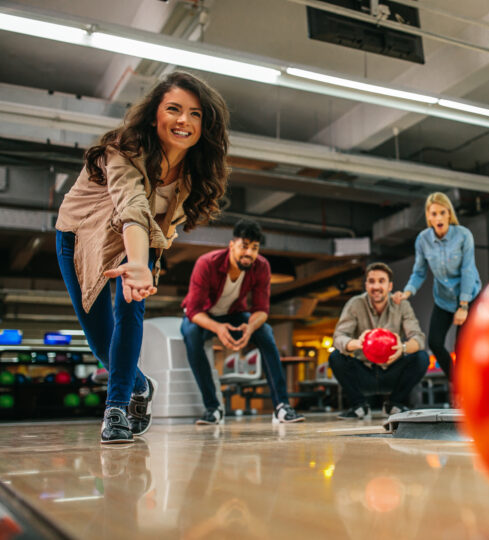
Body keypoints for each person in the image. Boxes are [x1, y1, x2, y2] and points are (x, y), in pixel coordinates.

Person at [55, 71, 230, 444]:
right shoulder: (124, 149)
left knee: (130, 311)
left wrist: (140, 263)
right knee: (99, 338)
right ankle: (140, 384)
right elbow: (131, 204)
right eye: (174, 109)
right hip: (80, 235)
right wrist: (138, 263)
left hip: (140, 239)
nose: (184, 120)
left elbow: (149, 221)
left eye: (195, 113)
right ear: (155, 115)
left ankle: (116, 407)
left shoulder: (191, 173)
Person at [180, 219, 304, 425]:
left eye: (254, 248)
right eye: (244, 246)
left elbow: (262, 310)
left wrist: (250, 328)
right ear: (232, 245)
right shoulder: (207, 263)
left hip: (234, 314)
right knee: (191, 335)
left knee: (265, 331)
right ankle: (213, 408)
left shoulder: (261, 266)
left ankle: (282, 406)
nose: (249, 253)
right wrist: (218, 328)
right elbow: (193, 311)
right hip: (203, 316)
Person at [392, 192, 481, 382]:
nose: (438, 218)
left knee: (462, 347)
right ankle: (458, 382)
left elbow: (468, 270)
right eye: (433, 214)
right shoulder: (423, 240)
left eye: (442, 212)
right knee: (435, 342)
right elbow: (419, 272)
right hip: (443, 299)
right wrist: (406, 292)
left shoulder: (463, 236)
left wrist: (463, 306)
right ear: (428, 216)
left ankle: (468, 387)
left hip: (468, 297)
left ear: (449, 214)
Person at [330, 262, 429, 419]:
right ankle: (359, 406)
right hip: (365, 373)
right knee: (335, 357)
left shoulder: (402, 305)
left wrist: (402, 348)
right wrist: (357, 344)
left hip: (392, 372)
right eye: (371, 281)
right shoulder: (355, 304)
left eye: (381, 281)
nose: (376, 286)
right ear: (366, 285)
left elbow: (418, 338)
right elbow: (338, 337)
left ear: (390, 286)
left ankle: (394, 404)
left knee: (422, 357)